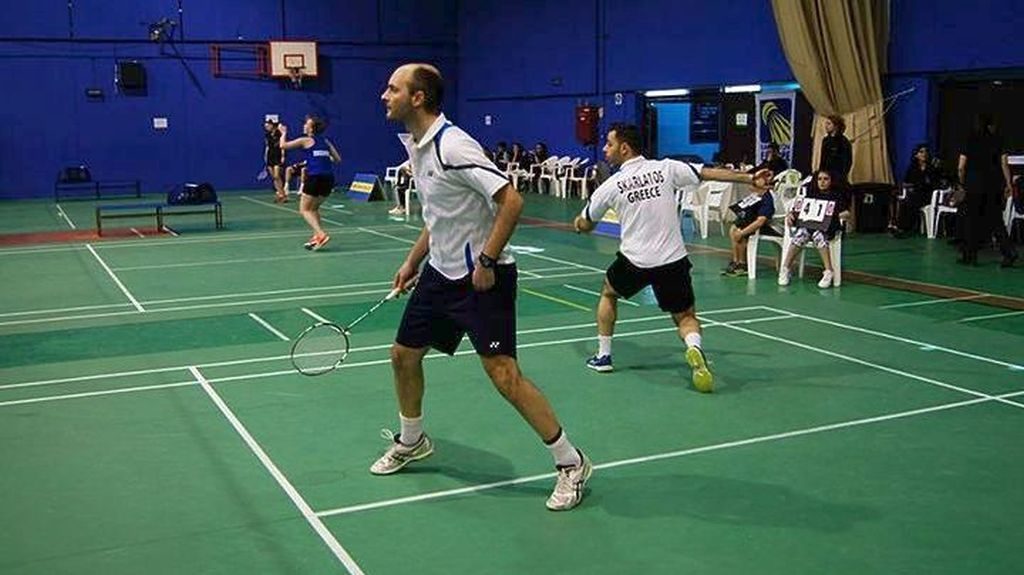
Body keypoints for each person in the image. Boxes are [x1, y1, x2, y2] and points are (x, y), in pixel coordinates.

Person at [374, 63, 592, 512]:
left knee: (504, 376)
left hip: (481, 278)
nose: (384, 95)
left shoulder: (453, 145)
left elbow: (512, 199)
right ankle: (412, 440)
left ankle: (571, 462)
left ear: (418, 98)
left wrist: (488, 260)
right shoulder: (418, 145)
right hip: (440, 272)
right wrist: (413, 260)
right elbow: (441, 215)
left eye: (393, 89)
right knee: (403, 355)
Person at [572, 123, 772, 392]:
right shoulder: (665, 168)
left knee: (609, 293)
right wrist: (750, 178)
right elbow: (707, 173)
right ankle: (694, 347)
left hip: (634, 262)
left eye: (609, 144)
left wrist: (578, 223)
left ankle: (604, 356)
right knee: (685, 316)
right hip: (672, 261)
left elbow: (586, 224)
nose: (605, 149)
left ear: (625, 148)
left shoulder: (610, 186)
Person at [957, 113, 1017, 267]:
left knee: (971, 220)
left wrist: (962, 183)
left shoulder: (970, 139)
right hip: (993, 185)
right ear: (991, 125)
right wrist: (1008, 184)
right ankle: (1009, 252)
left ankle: (970, 255)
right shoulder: (998, 139)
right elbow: (1004, 164)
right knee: (996, 220)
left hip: (974, 185)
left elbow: (961, 166)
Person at [778, 170, 850, 288]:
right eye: (819, 179)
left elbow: (847, 213)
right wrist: (790, 214)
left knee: (818, 235)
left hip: (827, 228)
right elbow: (797, 210)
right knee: (800, 236)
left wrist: (833, 215)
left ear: (831, 181)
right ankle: (785, 269)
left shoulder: (836, 196)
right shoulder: (810, 194)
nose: (822, 182)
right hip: (808, 226)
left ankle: (828, 271)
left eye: (825, 179)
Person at [279, 115, 341, 251]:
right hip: (328, 179)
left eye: (306, 124)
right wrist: (322, 158)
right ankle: (316, 236)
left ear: (312, 128)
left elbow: (283, 145)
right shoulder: (326, 142)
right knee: (314, 209)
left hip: (315, 178)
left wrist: (283, 133)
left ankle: (321, 234)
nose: (304, 125)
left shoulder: (305, 140)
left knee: (305, 210)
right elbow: (337, 159)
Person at [721, 185, 778, 277]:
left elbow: (760, 221)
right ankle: (736, 261)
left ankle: (743, 264)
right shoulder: (754, 196)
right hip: (755, 222)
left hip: (770, 226)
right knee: (733, 229)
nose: (750, 183)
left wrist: (742, 233)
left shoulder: (767, 198)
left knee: (742, 232)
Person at [892, 144, 941, 237]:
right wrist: (911, 186)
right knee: (906, 202)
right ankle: (901, 227)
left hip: (928, 195)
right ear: (916, 155)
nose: (924, 154)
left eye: (925, 152)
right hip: (916, 192)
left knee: (912, 201)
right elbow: (905, 183)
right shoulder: (912, 168)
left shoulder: (932, 168)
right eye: (921, 152)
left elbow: (935, 184)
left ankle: (905, 228)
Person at [818, 115, 852, 184]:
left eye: (829, 124)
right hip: (826, 175)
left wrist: (842, 175)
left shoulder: (844, 141)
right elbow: (823, 159)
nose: (826, 126)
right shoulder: (825, 140)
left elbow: (847, 161)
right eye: (826, 123)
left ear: (836, 126)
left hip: (838, 176)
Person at [263, 120, 287, 203]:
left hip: (278, 156)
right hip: (270, 156)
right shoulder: (267, 135)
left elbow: (283, 145)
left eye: (267, 126)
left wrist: (283, 156)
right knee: (274, 177)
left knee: (277, 176)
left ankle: (283, 194)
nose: (266, 127)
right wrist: (265, 156)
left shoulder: (279, 133)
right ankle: (280, 194)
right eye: (265, 126)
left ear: (272, 125)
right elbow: (267, 146)